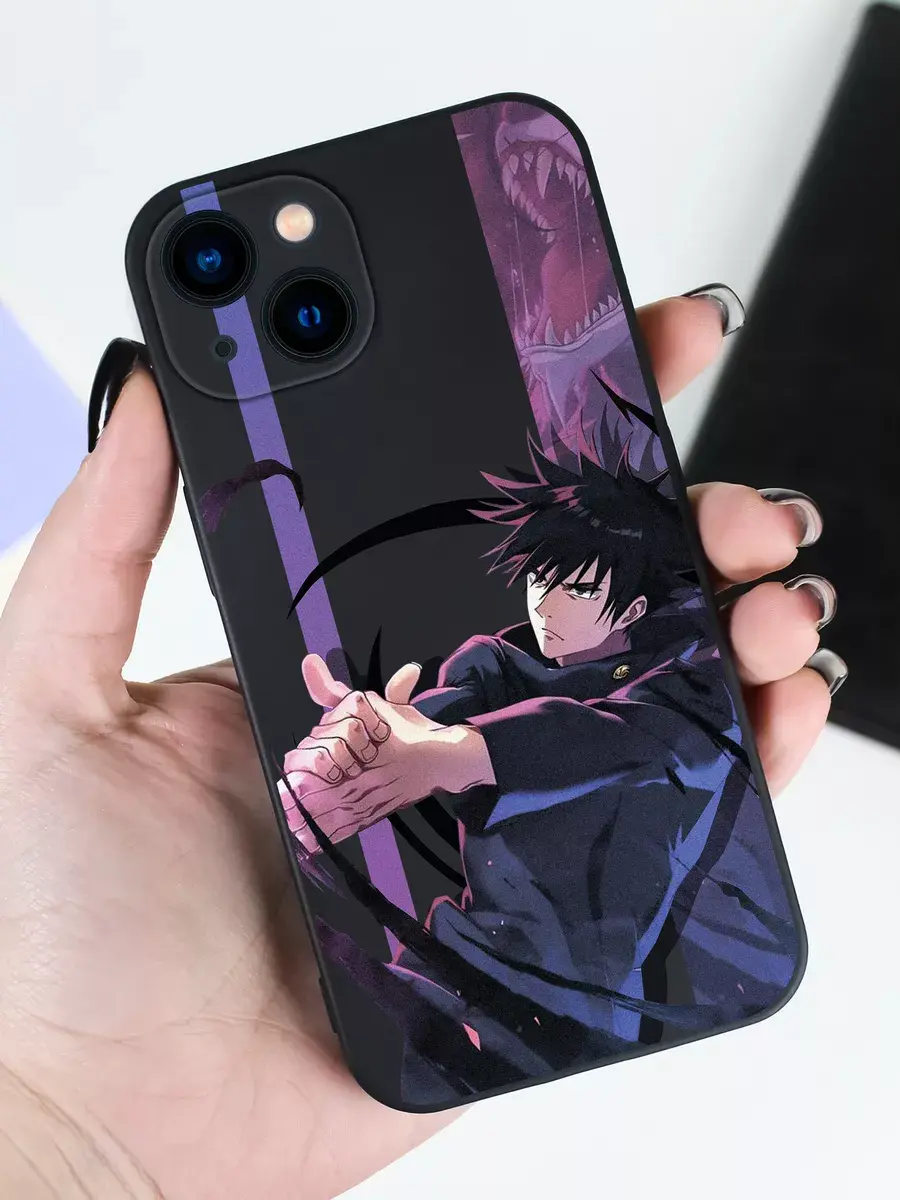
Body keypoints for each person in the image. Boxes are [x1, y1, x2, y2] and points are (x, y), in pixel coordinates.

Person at [0, 294, 842, 1198]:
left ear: (631, 605)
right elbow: (428, 720)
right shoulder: (496, 665)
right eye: (539, 581)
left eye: (570, 587)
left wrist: (456, 755)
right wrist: (357, 744)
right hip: (457, 976)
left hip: (588, 999)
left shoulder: (679, 691)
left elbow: (616, 739)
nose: (542, 607)